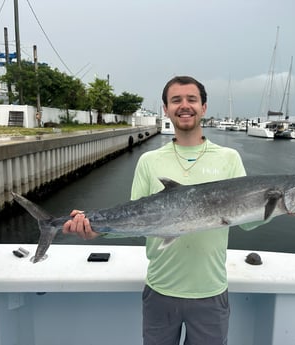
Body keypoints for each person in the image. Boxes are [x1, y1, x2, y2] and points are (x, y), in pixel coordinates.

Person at [63, 75, 258, 345]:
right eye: (176, 100)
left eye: (192, 99)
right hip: (160, 289)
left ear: (204, 107)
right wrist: (96, 231)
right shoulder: (149, 161)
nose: (184, 105)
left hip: (210, 291)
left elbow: (247, 221)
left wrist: (282, 208)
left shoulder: (229, 158)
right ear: (165, 109)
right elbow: (134, 220)